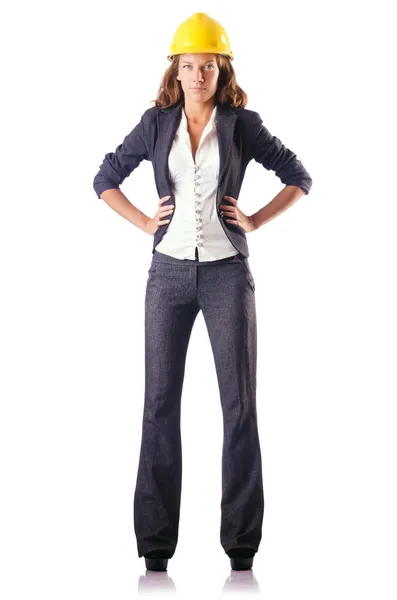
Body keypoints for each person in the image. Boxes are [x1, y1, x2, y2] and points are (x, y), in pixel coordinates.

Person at [93, 12, 313, 573]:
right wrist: (145, 222)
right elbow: (105, 178)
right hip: (166, 276)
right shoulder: (155, 123)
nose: (198, 75)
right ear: (176, 71)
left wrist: (256, 220)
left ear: (222, 71)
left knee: (239, 406)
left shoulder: (242, 125)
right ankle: (155, 545)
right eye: (188, 66)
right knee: (159, 404)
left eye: (208, 66)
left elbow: (298, 175)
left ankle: (242, 544)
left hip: (226, 276)